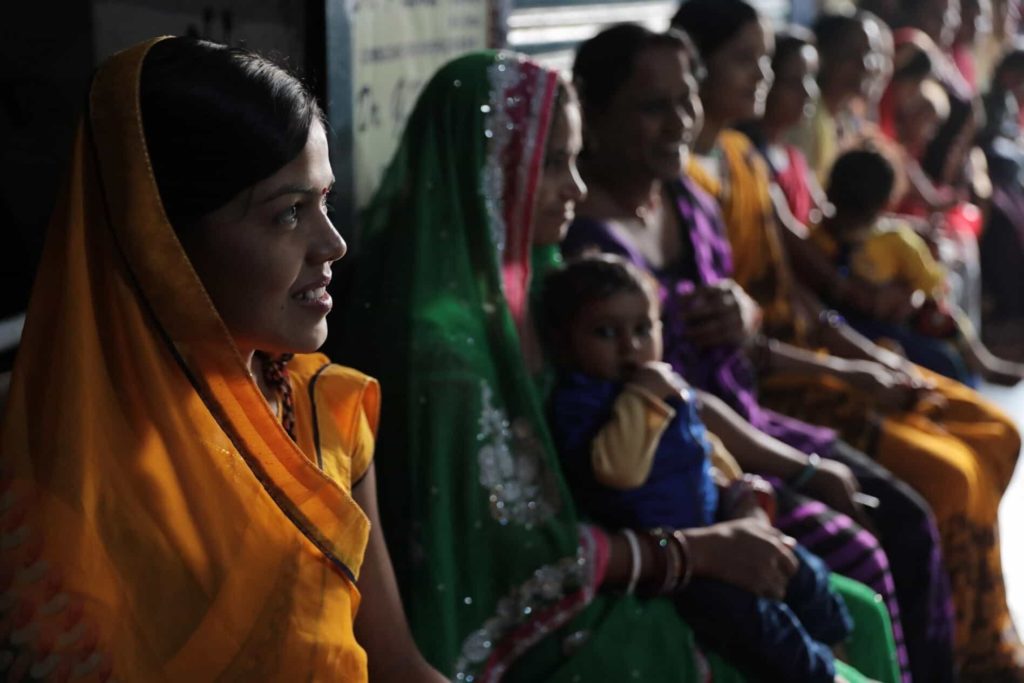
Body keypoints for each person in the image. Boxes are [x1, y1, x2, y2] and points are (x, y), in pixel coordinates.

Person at [337, 49, 878, 682]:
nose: (578, 188)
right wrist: (691, 555)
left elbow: (659, 400)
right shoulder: (440, 353)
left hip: (637, 541)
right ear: (486, 172)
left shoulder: (539, 285)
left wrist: (736, 501)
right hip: (540, 623)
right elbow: (506, 556)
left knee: (851, 609)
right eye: (554, 165)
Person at [0, 37, 447, 681]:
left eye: (325, 200)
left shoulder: (328, 412)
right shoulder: (61, 478)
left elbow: (396, 664)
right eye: (289, 212)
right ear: (159, 239)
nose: (334, 243)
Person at [567, 20, 941, 683]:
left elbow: (764, 317)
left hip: (748, 421)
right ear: (591, 115)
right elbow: (664, 397)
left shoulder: (687, 197)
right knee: (864, 552)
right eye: (654, 106)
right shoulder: (585, 254)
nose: (681, 120)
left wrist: (744, 311)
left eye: (687, 99)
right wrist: (800, 469)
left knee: (907, 514)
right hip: (696, 463)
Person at [672, 0, 1024, 677]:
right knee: (948, 478)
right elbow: (737, 331)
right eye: (750, 60)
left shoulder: (743, 157)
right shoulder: (684, 185)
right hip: (773, 383)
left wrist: (865, 350)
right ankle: (950, 657)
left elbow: (803, 281)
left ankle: (982, 635)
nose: (769, 77)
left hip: (811, 349)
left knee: (996, 432)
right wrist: (852, 369)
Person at [541, 254, 853, 683]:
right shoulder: (582, 402)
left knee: (805, 571)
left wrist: (735, 489)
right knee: (758, 625)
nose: (630, 347)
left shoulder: (662, 385)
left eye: (643, 329)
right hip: (682, 562)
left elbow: (702, 444)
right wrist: (643, 399)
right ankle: (819, 674)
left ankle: (837, 648)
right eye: (605, 333)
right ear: (565, 343)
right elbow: (619, 471)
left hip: (717, 518)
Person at [814, 147, 1024, 385]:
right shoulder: (895, 238)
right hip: (880, 323)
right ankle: (978, 368)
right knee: (946, 344)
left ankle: (980, 364)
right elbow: (932, 283)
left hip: (857, 321)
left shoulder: (817, 236)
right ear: (887, 202)